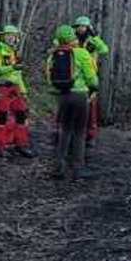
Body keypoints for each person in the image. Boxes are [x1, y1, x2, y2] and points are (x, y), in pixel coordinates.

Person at [45, 24, 99, 180]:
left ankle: (58, 168)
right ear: (72, 38)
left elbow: (49, 79)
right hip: (80, 96)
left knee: (65, 131)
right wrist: (94, 86)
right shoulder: (82, 53)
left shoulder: (53, 55)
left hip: (63, 96)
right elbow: (91, 77)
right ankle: (77, 169)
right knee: (79, 132)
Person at [0, 25, 34, 157]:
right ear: (3, 37)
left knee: (21, 115)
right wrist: (11, 67)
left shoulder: (15, 54)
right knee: (1, 116)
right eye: (8, 35)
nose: (11, 38)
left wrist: (23, 91)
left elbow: (18, 75)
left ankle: (20, 144)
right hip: (1, 86)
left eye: (13, 36)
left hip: (16, 88)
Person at [72, 16, 109, 153]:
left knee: (91, 109)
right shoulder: (72, 39)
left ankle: (91, 136)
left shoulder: (92, 40)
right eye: (79, 26)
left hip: (90, 76)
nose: (81, 29)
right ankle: (74, 134)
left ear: (88, 28)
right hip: (75, 78)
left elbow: (104, 49)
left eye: (84, 26)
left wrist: (95, 39)